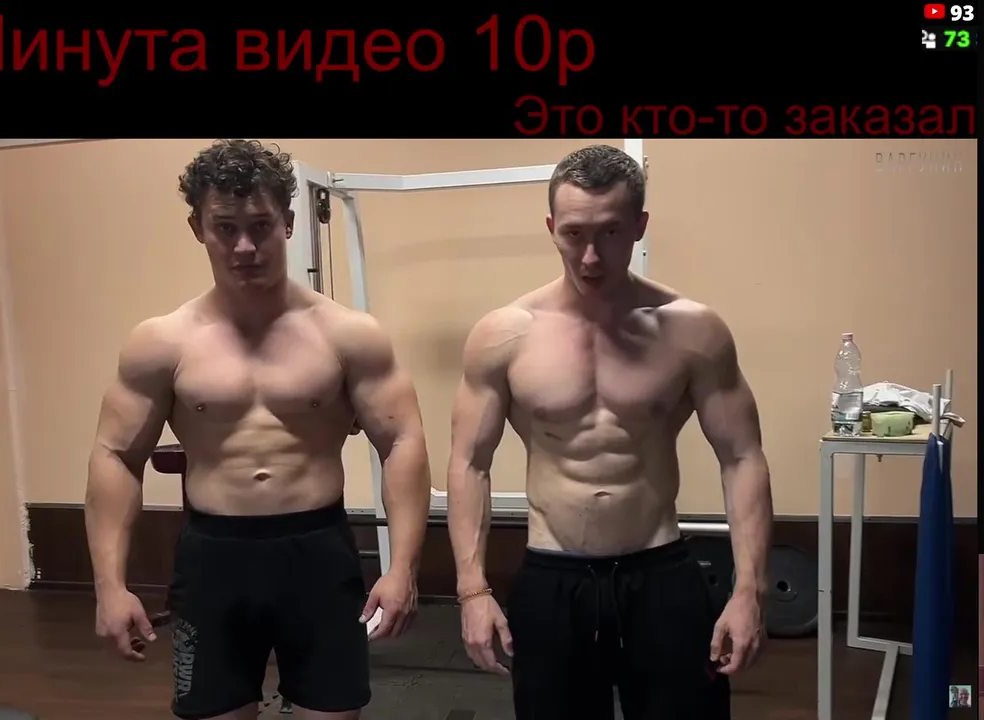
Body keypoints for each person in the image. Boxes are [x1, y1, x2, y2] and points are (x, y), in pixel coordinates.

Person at [84, 139, 432, 720]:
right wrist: (109, 586)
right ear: (198, 228)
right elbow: (116, 455)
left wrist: (403, 570)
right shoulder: (161, 342)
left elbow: (401, 442)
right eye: (226, 228)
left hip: (318, 553)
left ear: (288, 223)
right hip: (213, 559)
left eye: (261, 226)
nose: (245, 246)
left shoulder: (349, 335)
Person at [446, 144, 774, 720]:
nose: (592, 256)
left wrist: (749, 591)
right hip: (553, 575)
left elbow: (742, 456)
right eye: (574, 234)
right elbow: (470, 462)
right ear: (550, 227)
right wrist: (472, 590)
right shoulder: (504, 335)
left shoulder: (692, 330)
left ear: (640, 226)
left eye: (611, 233)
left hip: (660, 571)